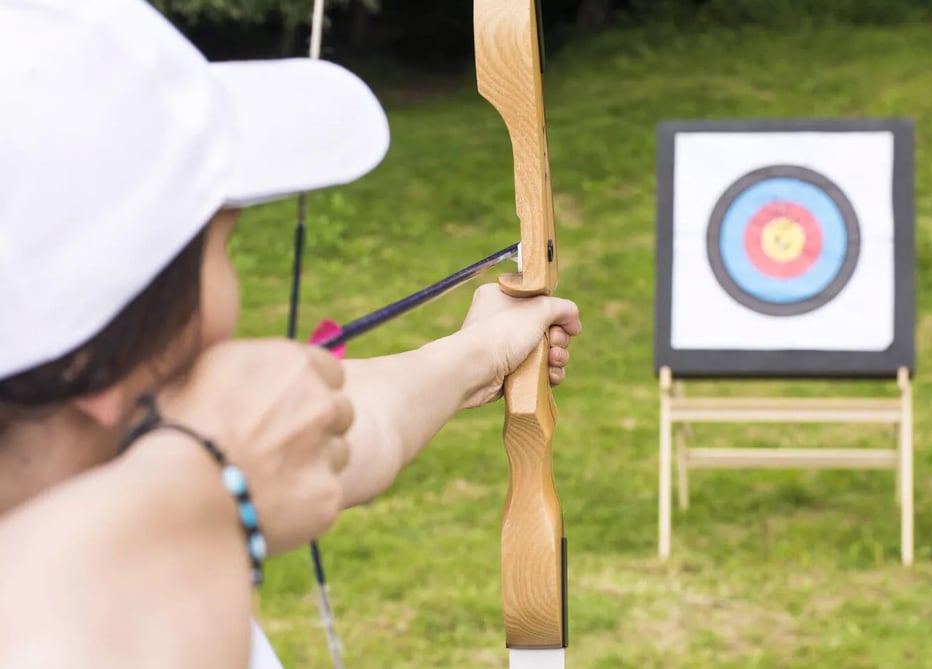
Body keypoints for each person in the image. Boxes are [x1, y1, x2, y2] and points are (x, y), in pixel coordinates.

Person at [0, 1, 582, 668]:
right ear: (102, 353)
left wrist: (478, 353)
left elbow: (339, 428)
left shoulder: (136, 454)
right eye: (222, 244)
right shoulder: (89, 608)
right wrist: (214, 487)